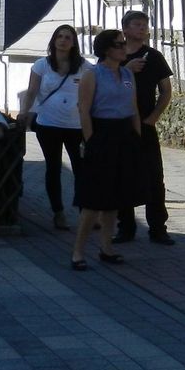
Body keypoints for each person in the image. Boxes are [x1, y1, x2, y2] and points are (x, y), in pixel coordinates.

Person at [71, 30, 140, 270]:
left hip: (124, 136)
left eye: (124, 43)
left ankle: (106, 247)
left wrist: (136, 136)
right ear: (107, 49)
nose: (125, 47)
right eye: (120, 44)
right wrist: (91, 142)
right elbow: (84, 110)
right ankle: (78, 252)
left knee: (115, 199)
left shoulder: (128, 73)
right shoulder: (92, 75)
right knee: (93, 200)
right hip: (102, 135)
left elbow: (133, 108)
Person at [113, 11, 176, 245]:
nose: (142, 29)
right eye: (137, 25)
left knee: (154, 178)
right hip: (120, 126)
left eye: (144, 25)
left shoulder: (154, 56)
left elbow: (166, 91)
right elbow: (103, 83)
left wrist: (153, 118)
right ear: (125, 29)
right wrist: (126, 68)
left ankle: (158, 228)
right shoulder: (115, 56)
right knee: (123, 178)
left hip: (146, 126)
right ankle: (125, 227)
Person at [17, 25, 86, 230]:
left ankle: (86, 211)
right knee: (53, 167)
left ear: (74, 42)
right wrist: (24, 111)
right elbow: (31, 91)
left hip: (76, 125)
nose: (63, 40)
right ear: (54, 40)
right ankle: (58, 212)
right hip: (48, 124)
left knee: (81, 169)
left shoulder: (84, 66)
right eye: (60, 37)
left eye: (68, 37)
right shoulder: (41, 65)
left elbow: (93, 91)